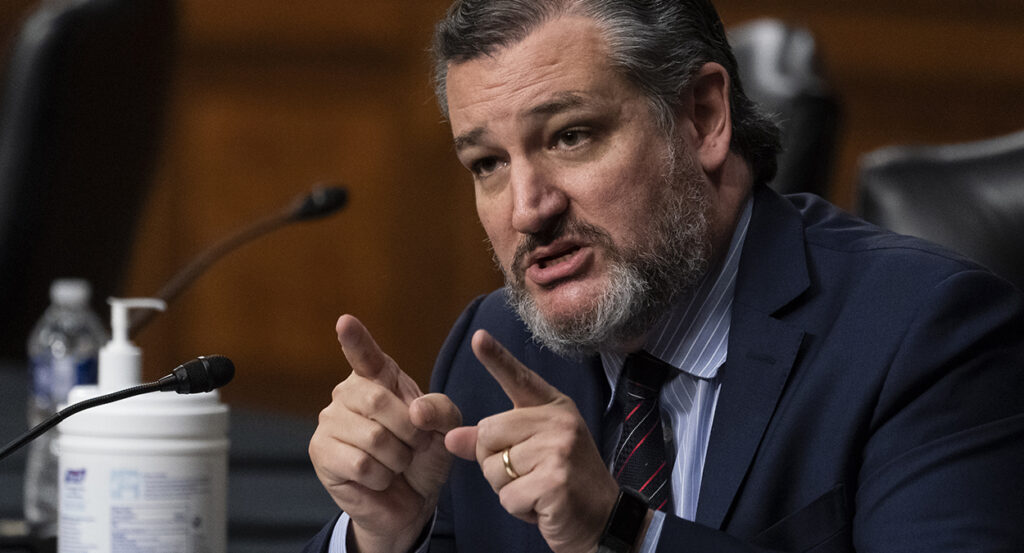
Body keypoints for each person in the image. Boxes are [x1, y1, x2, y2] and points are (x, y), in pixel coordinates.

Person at [305, 1, 1024, 552]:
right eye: (488, 163)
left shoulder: (925, 335)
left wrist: (625, 530)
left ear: (704, 117)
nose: (527, 210)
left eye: (570, 135)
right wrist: (383, 535)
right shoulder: (494, 347)